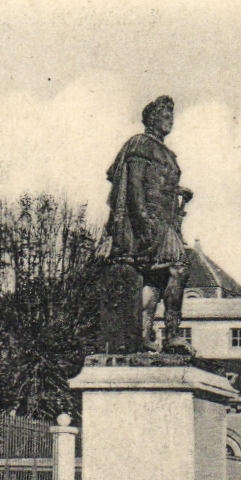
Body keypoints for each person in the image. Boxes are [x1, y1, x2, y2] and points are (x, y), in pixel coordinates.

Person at [100, 95, 193, 353]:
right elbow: (134, 185)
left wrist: (178, 190)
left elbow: (158, 182)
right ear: (151, 118)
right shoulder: (141, 144)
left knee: (156, 277)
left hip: (166, 220)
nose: (170, 121)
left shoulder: (165, 152)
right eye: (165, 116)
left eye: (172, 116)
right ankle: (172, 334)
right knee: (178, 268)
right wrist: (143, 222)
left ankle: (144, 333)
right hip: (152, 220)